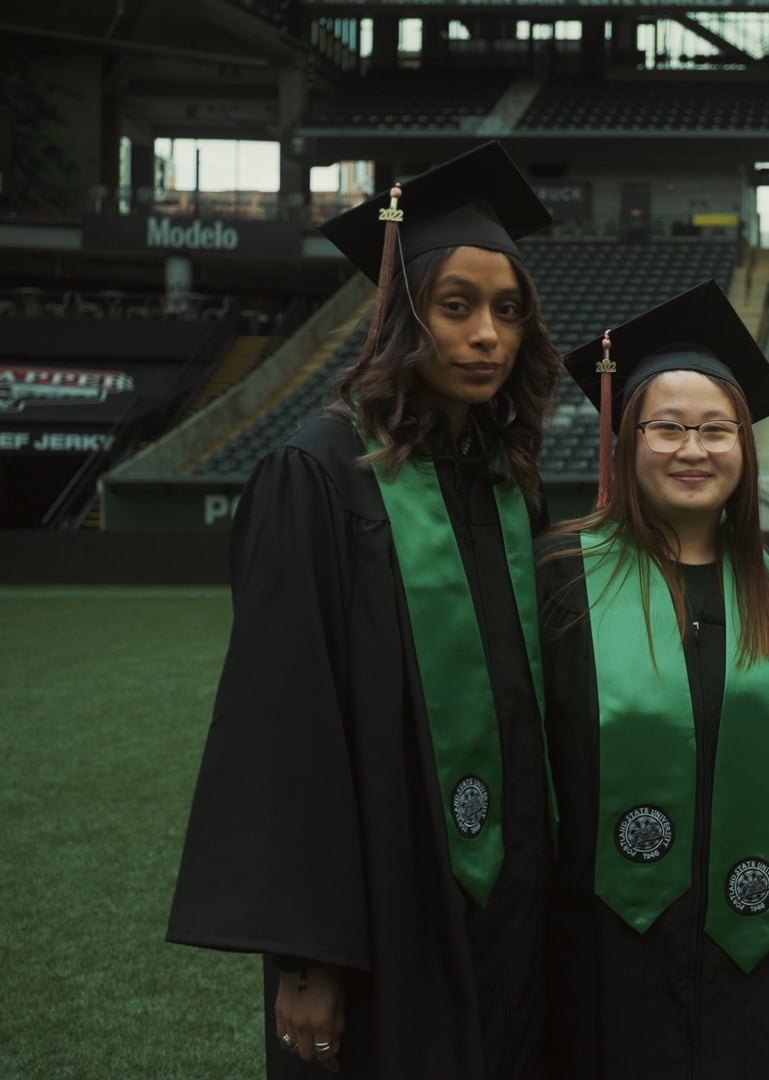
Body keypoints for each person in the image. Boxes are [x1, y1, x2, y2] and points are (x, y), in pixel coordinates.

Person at [166, 141, 563, 1078]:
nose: (487, 338)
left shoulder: (507, 482)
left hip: (513, 899)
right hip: (387, 894)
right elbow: (282, 723)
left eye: (508, 312)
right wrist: (310, 955)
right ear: (399, 314)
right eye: (456, 307)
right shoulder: (316, 473)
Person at [536, 281, 769, 1079]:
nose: (692, 450)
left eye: (716, 430)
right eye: (667, 427)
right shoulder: (561, 577)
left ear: (745, 446)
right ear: (626, 440)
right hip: (598, 943)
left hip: (750, 944)